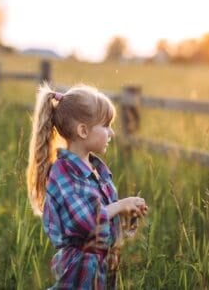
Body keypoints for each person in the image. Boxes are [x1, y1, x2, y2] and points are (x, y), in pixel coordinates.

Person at [26, 83, 148, 289]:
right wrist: (120, 205)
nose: (111, 133)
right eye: (106, 126)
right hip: (80, 269)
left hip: (103, 264)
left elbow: (105, 217)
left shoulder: (97, 170)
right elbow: (85, 221)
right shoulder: (63, 173)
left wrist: (127, 215)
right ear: (83, 130)